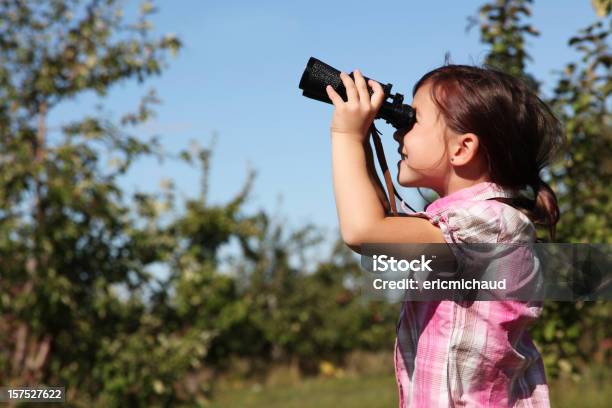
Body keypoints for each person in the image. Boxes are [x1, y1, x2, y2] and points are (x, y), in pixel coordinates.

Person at [325, 64, 565, 407]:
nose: (399, 131)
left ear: (461, 149)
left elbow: (365, 232)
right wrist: (363, 137)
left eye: (414, 118)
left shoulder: (489, 224)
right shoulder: (462, 224)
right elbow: (379, 223)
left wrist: (346, 136)